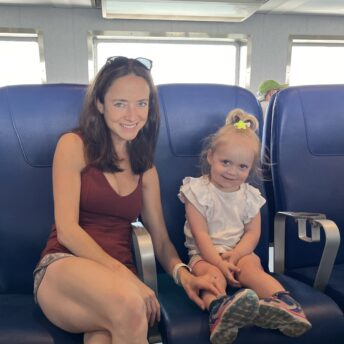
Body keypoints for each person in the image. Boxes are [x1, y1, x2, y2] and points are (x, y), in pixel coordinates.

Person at [33, 56, 221, 344]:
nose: (132, 114)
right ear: (100, 104)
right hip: (65, 267)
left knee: (108, 333)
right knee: (132, 306)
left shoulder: (145, 167)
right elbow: (68, 231)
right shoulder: (73, 146)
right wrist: (128, 279)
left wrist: (185, 276)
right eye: (120, 103)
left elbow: (160, 241)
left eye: (141, 103)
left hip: (119, 286)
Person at [178, 108, 312, 344]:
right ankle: (219, 308)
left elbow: (253, 233)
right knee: (211, 277)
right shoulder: (197, 191)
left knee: (252, 269)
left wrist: (237, 254)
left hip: (238, 252)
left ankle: (284, 304)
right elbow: (200, 234)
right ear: (210, 157)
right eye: (225, 162)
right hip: (204, 254)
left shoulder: (250, 196)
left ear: (251, 169)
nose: (232, 171)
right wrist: (219, 262)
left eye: (242, 167)